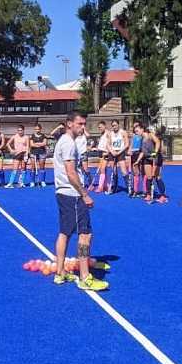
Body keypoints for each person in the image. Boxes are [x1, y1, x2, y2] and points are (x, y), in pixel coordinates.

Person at [52, 112, 109, 291]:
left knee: (65, 232)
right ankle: (85, 277)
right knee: (85, 235)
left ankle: (60, 273)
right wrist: (84, 194)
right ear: (69, 124)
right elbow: (70, 172)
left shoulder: (65, 141)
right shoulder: (68, 143)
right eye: (79, 124)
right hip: (73, 195)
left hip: (63, 193)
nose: (82, 127)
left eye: (84, 124)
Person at [106, 120, 131, 194]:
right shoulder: (110, 134)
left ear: (118, 125)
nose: (114, 127)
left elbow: (127, 144)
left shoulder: (123, 132)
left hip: (120, 152)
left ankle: (129, 188)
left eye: (115, 125)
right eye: (113, 125)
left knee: (124, 171)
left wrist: (119, 152)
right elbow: (108, 144)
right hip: (112, 153)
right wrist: (112, 151)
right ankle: (115, 187)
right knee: (114, 171)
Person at [90, 121, 110, 192]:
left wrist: (108, 152)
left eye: (101, 127)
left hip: (105, 153)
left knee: (102, 169)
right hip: (100, 152)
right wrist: (96, 148)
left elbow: (110, 143)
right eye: (99, 127)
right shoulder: (102, 134)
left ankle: (100, 187)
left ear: (104, 126)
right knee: (103, 170)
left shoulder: (108, 133)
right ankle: (106, 185)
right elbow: (102, 144)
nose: (100, 128)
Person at [129, 122, 144, 197]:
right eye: (134, 127)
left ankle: (145, 191)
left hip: (140, 153)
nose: (135, 129)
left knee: (142, 172)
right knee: (135, 173)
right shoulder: (133, 136)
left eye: (136, 127)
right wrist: (129, 150)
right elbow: (131, 144)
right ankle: (135, 190)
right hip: (133, 154)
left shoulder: (142, 136)